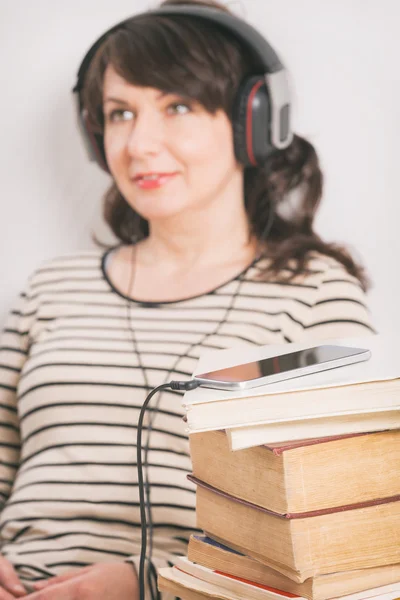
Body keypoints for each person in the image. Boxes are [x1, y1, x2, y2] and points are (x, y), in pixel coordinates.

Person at [0, 0, 375, 598]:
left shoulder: (314, 296)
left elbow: (341, 535)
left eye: (177, 106)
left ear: (253, 122)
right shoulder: (51, 288)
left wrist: (147, 585)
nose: (139, 143)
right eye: (120, 113)